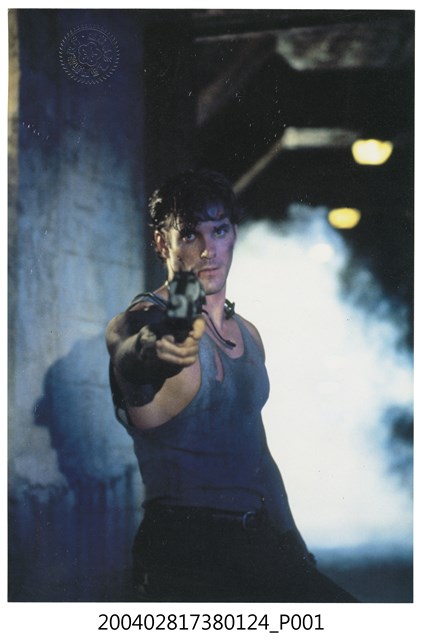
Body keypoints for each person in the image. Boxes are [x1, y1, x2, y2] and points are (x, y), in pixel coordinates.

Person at [106, 169, 357, 602]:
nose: (208, 250)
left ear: (234, 235)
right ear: (162, 243)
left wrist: (293, 542)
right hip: (183, 549)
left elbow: (257, 453)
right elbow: (126, 343)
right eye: (189, 235)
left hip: (255, 539)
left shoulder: (249, 334)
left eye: (219, 230)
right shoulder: (146, 318)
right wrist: (150, 347)